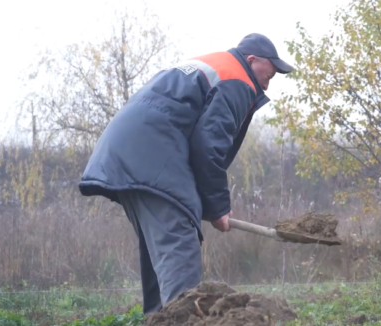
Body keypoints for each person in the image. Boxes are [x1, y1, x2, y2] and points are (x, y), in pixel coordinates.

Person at [78, 33, 294, 314]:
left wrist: (209, 204)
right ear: (252, 60)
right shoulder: (237, 79)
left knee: (163, 256)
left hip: (126, 156)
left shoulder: (211, 65)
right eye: (269, 74)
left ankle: (160, 318)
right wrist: (218, 207)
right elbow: (208, 146)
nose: (267, 84)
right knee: (179, 253)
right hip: (154, 157)